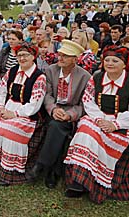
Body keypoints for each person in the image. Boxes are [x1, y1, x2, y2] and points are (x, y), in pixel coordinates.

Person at [64, 45, 129, 203]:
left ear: (124, 64)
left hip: (123, 124)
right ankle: (80, 180)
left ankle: (93, 180)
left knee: (97, 135)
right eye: (107, 60)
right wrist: (101, 119)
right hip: (98, 118)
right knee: (85, 130)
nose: (110, 63)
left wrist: (115, 124)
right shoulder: (97, 78)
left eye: (115, 60)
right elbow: (88, 101)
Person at [0, 43, 47, 186]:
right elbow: (1, 91)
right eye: (19, 55)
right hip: (8, 106)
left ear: (33, 57)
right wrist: (0, 106)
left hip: (27, 114)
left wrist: (14, 114)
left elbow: (35, 104)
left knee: (11, 130)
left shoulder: (39, 77)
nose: (22, 58)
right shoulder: (12, 72)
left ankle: (9, 173)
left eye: (26, 55)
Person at [29, 40, 91, 189]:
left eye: (66, 56)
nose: (60, 58)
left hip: (71, 112)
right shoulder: (51, 70)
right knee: (56, 124)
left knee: (57, 126)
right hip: (53, 109)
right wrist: (54, 109)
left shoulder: (85, 77)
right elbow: (47, 94)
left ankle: (42, 165)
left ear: (75, 59)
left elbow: (85, 103)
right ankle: (53, 171)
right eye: (60, 55)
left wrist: (70, 115)